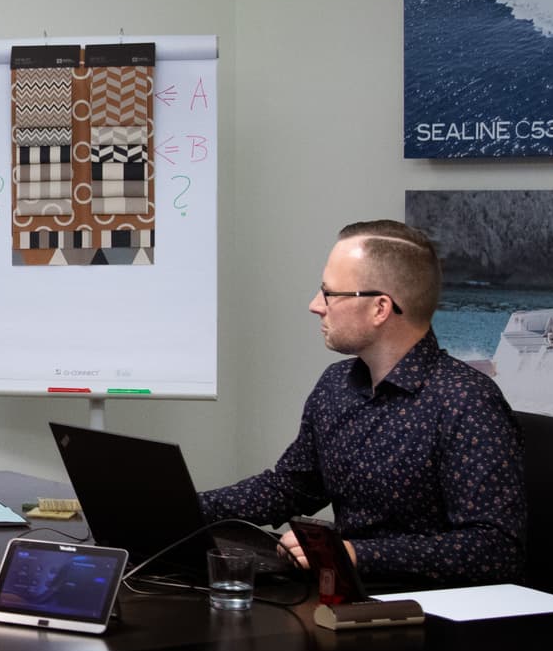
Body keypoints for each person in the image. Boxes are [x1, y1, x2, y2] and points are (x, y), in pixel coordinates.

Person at [200, 220, 525, 589]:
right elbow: (291, 487)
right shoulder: (336, 385)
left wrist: (357, 555)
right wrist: (185, 508)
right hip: (344, 599)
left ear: (380, 308)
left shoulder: (466, 402)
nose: (314, 306)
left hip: (430, 618)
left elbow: (495, 551)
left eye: (329, 293)